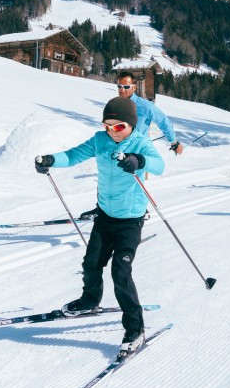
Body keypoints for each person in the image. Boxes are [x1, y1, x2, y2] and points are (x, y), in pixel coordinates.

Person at [34, 96, 164, 357]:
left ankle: (135, 328)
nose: (111, 132)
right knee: (91, 262)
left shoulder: (140, 142)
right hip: (105, 215)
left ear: (130, 125)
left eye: (117, 127)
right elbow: (72, 156)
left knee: (120, 271)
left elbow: (159, 165)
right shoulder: (99, 140)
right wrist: (50, 159)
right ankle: (89, 300)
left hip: (130, 219)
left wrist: (139, 160)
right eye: (107, 126)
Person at [79, 70, 183, 220]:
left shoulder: (145, 106)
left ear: (134, 87)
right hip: (116, 148)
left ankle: (138, 212)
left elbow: (163, 121)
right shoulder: (117, 106)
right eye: (119, 86)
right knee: (108, 179)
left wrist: (173, 142)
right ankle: (101, 209)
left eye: (126, 87)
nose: (122, 90)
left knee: (132, 182)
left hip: (136, 151)